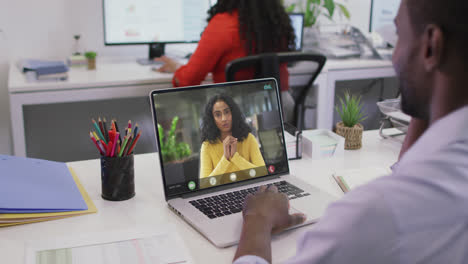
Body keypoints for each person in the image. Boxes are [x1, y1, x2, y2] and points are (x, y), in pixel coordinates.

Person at [233, 0, 468, 263]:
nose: (394, 56)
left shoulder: (374, 215)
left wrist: (257, 219)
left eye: (399, 35)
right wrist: (429, 102)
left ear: (431, 46)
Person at [155, 0, 297, 122]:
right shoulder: (277, 23)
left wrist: (178, 70)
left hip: (237, 113)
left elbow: (188, 80)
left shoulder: (223, 24)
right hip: (282, 107)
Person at [199, 94, 266, 179]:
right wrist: (225, 159)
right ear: (212, 119)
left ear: (233, 113)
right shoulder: (207, 146)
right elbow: (204, 185)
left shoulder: (249, 139)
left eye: (227, 112)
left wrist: (235, 157)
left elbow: (263, 173)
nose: (224, 118)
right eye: (218, 115)